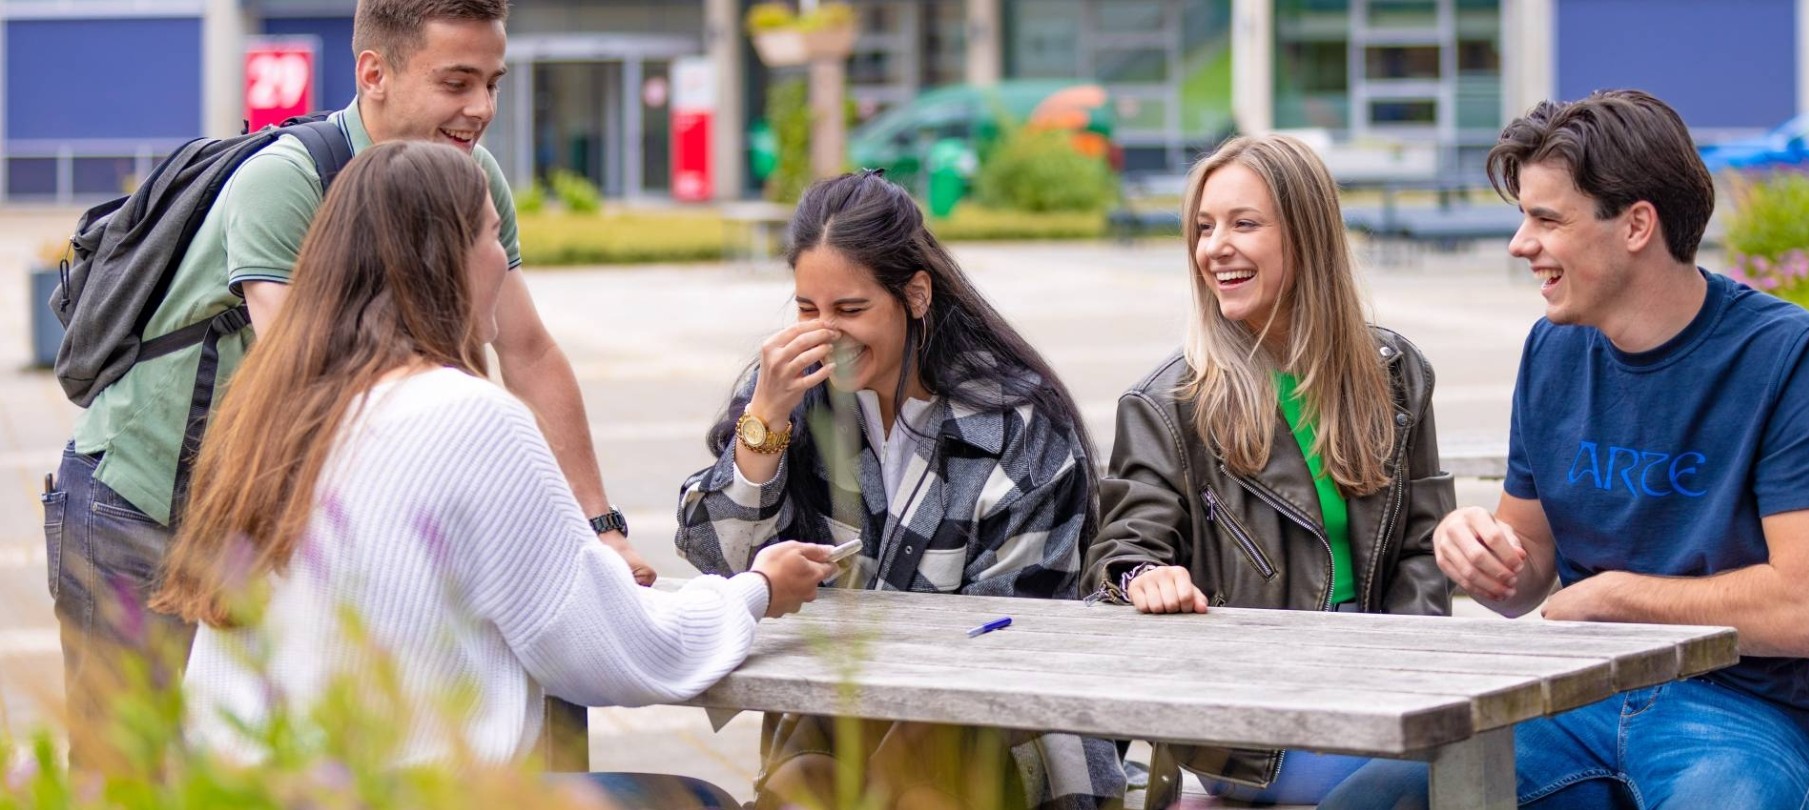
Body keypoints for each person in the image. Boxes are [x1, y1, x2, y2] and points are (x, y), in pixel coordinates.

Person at [41, 0, 651, 767]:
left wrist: (600, 531)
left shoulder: (468, 177)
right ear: (374, 74)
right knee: (127, 769)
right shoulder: (286, 182)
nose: (482, 110)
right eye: (457, 82)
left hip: (255, 515)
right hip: (141, 501)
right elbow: (313, 384)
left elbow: (526, 350)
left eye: (494, 83)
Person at [148, 141, 834, 810]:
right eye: (488, 233)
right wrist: (755, 590)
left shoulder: (269, 409)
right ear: (438, 261)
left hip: (237, 789)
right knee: (701, 799)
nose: (504, 258)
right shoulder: (468, 415)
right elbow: (609, 648)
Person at [1323, 89, 1809, 810]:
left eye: (1547, 219)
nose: (1522, 244)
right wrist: (1475, 548)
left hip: (1749, 717)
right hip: (1577, 700)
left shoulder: (1793, 356)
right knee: (1364, 803)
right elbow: (1526, 580)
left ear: (1637, 225)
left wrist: (1617, 597)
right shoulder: (1554, 348)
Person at [675, 170, 1123, 810]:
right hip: (834, 722)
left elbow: (1012, 635)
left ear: (916, 295)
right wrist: (764, 423)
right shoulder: (791, 399)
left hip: (999, 735)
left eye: (851, 310)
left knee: (899, 786)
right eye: (807, 308)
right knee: (805, 788)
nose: (826, 331)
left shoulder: (1017, 425)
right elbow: (720, 564)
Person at [1081, 133, 1453, 805]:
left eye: (1243, 223)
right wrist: (1145, 578)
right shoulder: (1169, 403)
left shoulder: (1396, 375)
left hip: (1380, 688)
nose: (1214, 246)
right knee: (1426, 780)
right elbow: (1122, 550)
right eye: (1203, 227)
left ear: (1306, 236)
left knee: (1508, 758)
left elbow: (1425, 549)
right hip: (1252, 725)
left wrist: (1404, 678)